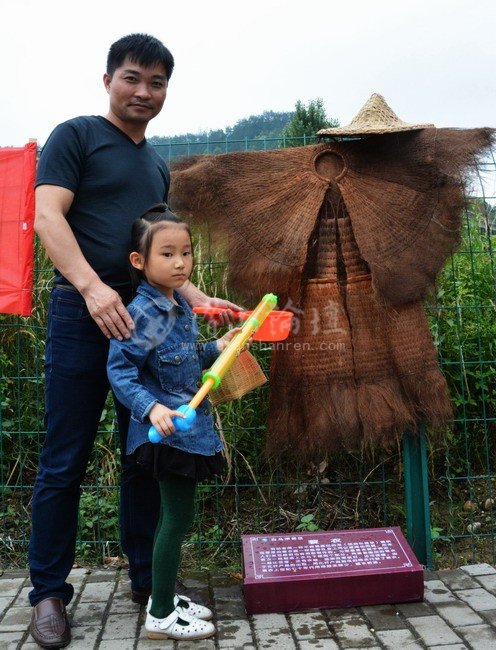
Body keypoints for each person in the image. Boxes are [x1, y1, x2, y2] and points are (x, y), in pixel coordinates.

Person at [29, 33, 238, 648]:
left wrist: (198, 298)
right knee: (63, 459)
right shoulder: (76, 136)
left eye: (157, 83)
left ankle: (152, 585)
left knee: (147, 456)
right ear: (108, 80)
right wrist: (95, 289)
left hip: (146, 323)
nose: (144, 92)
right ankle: (47, 593)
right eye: (132, 78)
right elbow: (48, 216)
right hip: (80, 315)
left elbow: (157, 253)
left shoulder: (155, 164)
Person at [107, 203, 240, 640]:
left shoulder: (177, 307)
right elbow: (121, 371)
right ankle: (160, 613)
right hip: (167, 435)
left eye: (186, 252)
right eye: (167, 254)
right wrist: (152, 408)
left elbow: (183, 364)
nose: (180, 262)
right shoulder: (144, 313)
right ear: (139, 261)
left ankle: (162, 596)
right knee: (175, 522)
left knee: (173, 518)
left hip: (187, 432)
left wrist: (219, 344)